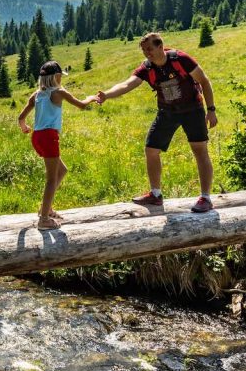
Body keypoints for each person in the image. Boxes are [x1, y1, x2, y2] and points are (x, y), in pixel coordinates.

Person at [96, 32, 218, 213]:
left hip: (192, 109)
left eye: (150, 49)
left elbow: (204, 81)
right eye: (144, 50)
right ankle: (156, 195)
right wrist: (106, 94)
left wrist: (211, 110)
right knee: (151, 149)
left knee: (199, 150)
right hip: (167, 112)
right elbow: (127, 84)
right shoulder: (147, 68)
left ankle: (206, 198)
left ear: (160, 46)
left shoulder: (181, 59)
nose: (147, 53)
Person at [18, 61, 98, 229]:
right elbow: (82, 105)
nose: (61, 78)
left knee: (62, 170)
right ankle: (44, 219)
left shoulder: (37, 94)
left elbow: (21, 117)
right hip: (49, 136)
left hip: (37, 136)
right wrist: (91, 98)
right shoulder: (59, 92)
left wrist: (24, 127)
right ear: (55, 77)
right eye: (60, 75)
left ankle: (45, 208)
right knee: (51, 179)